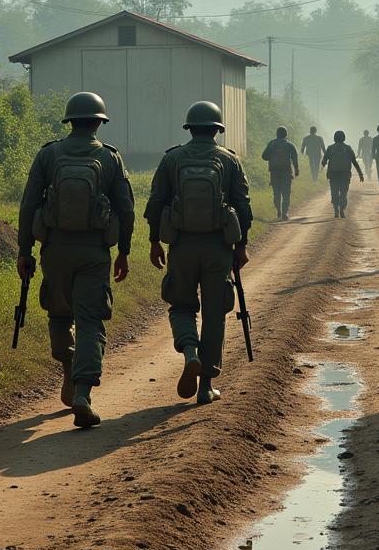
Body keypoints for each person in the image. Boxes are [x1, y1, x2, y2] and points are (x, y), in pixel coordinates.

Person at [17, 91, 135, 429]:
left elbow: (27, 206)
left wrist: (24, 252)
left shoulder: (49, 154)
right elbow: (125, 209)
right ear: (99, 122)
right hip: (94, 254)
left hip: (54, 250)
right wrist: (124, 252)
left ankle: (68, 364)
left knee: (58, 313)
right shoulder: (111, 158)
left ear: (69, 121)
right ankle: (82, 391)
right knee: (90, 322)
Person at [144, 101, 252, 406]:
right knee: (215, 315)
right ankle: (205, 385)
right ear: (218, 129)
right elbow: (243, 206)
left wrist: (154, 242)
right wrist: (241, 246)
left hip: (181, 247)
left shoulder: (173, 158)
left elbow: (155, 204)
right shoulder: (229, 160)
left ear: (189, 128)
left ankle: (190, 352)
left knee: (181, 307)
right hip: (219, 248)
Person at [321, 129, 364, 218]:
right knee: (343, 193)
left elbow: (323, 162)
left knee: (334, 192)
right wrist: (360, 174)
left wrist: (324, 165)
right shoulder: (348, 148)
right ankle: (341, 210)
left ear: (334, 138)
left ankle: (336, 210)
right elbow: (354, 162)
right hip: (345, 175)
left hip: (333, 175)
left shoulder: (330, 148)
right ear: (344, 138)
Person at [261, 126, 299, 220]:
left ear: (277, 134)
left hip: (274, 172)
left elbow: (264, 156)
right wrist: (296, 170)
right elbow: (294, 157)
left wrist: (272, 156)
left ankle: (278, 211)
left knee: (276, 193)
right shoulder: (289, 145)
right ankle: (285, 213)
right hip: (286, 172)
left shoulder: (272, 144)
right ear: (286, 134)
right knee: (286, 193)